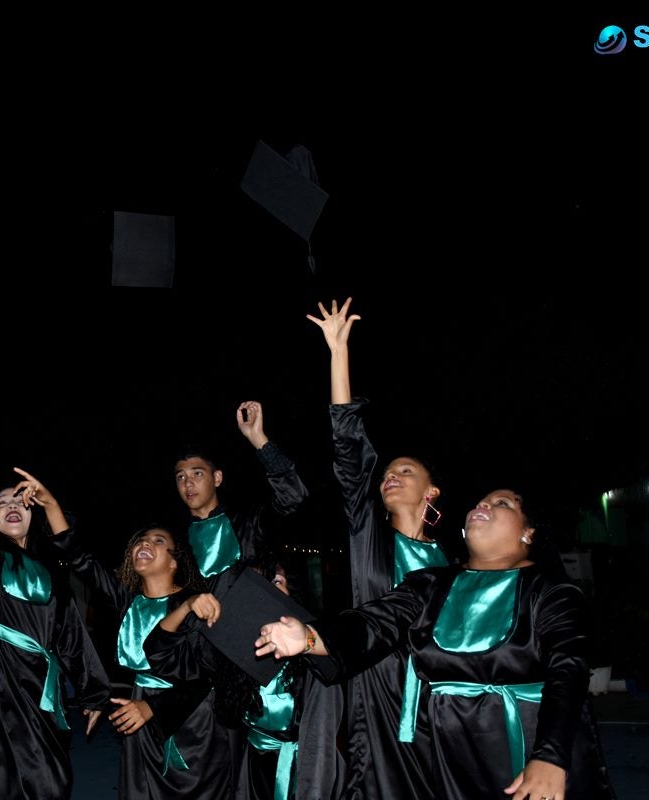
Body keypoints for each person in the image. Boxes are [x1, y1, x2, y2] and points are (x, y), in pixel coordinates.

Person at [255, 489, 615, 800]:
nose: (482, 505)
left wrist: (550, 756)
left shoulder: (551, 592)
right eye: (479, 502)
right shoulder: (430, 585)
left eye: (501, 503)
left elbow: (568, 671)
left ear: (528, 533)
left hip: (529, 748)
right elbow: (373, 623)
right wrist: (309, 638)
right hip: (451, 758)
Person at [0, 362, 111, 800]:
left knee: (48, 785)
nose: (13, 505)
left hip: (38, 697)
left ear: (33, 516)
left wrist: (93, 693)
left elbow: (71, 633)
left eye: (22, 501)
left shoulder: (53, 570)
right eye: (2, 502)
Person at [308, 297, 453, 799]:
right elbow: (350, 453)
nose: (392, 476)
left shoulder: (451, 565)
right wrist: (338, 354)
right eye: (388, 473)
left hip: (437, 702)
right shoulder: (368, 533)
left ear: (431, 492)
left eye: (406, 472)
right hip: (375, 690)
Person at [49, 522, 232, 799]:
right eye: (140, 540)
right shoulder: (128, 602)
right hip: (138, 708)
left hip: (191, 721)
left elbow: (206, 678)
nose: (144, 544)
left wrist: (152, 707)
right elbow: (81, 558)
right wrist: (50, 504)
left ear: (174, 561)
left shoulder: (193, 605)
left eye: (158, 540)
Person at [145, 554, 344, 800]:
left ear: (293, 591)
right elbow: (160, 654)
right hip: (253, 770)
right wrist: (187, 606)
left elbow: (339, 657)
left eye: (277, 582)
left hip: (310, 768)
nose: (265, 592)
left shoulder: (308, 645)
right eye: (255, 583)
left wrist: (309, 641)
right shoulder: (231, 650)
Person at [173, 401, 308, 593]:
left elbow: (293, 495)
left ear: (217, 478)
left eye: (197, 473)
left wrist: (258, 438)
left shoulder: (247, 523)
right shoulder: (174, 542)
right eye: (181, 477)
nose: (188, 483)